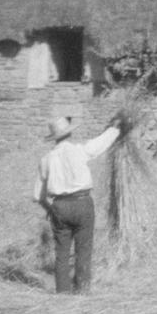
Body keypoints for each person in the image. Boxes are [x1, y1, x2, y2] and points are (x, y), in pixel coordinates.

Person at [33, 114, 121, 294]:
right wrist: (115, 127)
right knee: (84, 249)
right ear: (69, 134)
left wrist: (50, 209)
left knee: (61, 252)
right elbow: (101, 143)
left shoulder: (46, 159)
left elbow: (38, 196)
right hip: (82, 202)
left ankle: (63, 292)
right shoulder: (80, 150)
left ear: (54, 138)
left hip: (59, 206)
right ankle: (82, 290)